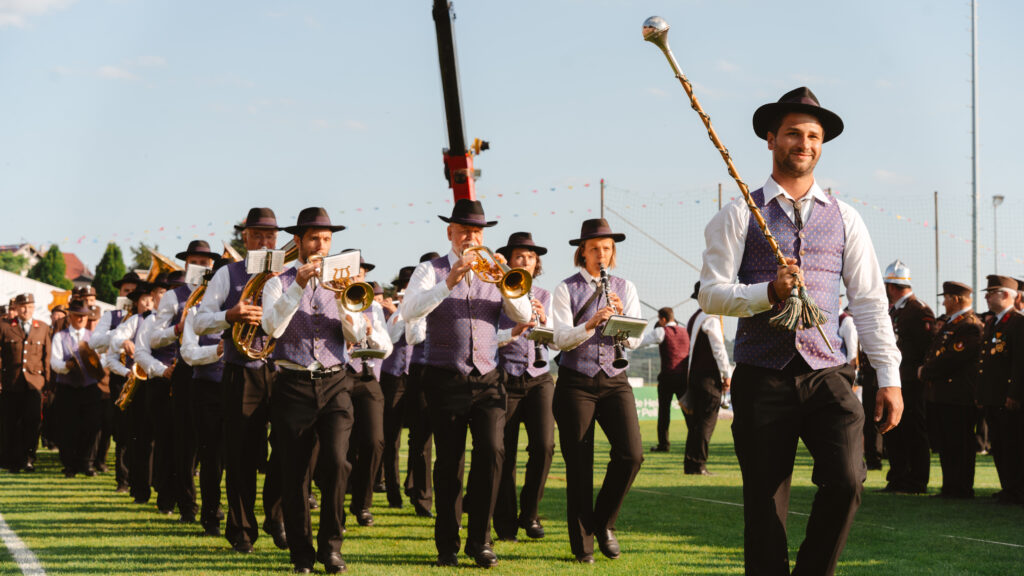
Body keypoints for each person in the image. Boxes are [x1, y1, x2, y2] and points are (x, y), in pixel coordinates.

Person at [699, 87, 901, 575]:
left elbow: (870, 302)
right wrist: (767, 292)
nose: (804, 143)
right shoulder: (739, 212)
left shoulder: (846, 217)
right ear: (771, 139)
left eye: (813, 136)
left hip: (828, 372)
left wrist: (889, 376)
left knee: (848, 480)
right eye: (793, 133)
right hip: (761, 375)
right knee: (765, 504)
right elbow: (710, 294)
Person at [402, 200, 532, 568]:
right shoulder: (430, 270)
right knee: (449, 463)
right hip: (445, 377)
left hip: (489, 377)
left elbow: (522, 314)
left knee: (492, 452)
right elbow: (409, 311)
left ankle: (481, 541)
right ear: (450, 233)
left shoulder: (496, 270)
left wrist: (506, 282)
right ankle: (447, 544)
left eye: (476, 232)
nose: (471, 238)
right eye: (464, 231)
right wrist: (448, 282)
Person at [261, 207, 368, 574]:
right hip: (292, 383)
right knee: (295, 473)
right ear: (298, 242)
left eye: (326, 239)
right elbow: (271, 328)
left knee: (337, 462)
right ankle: (302, 554)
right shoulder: (277, 283)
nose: (321, 245)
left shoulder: (344, 283)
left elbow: (357, 335)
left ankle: (332, 547)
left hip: (336, 381)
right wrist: (297, 287)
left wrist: (341, 300)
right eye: (314, 239)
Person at [551, 218, 645, 564]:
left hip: (615, 379)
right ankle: (583, 547)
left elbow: (635, 341)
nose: (601, 254)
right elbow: (559, 339)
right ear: (583, 252)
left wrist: (622, 318)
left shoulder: (626, 286)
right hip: (576, 381)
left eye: (606, 248)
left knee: (632, 455)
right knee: (579, 465)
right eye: (594, 249)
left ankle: (604, 522)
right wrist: (590, 324)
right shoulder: (565, 288)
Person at [194, 207, 286, 552]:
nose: (265, 241)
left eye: (270, 236)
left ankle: (276, 517)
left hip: (283, 372)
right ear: (244, 237)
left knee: (287, 450)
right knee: (241, 454)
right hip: (241, 372)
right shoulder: (227, 274)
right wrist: (229, 315)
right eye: (257, 235)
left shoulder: (290, 274)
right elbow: (200, 322)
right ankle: (242, 530)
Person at [493, 231, 556, 542]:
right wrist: (515, 331)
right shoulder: (495, 293)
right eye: (520, 256)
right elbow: (487, 339)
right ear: (509, 261)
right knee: (503, 453)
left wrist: (544, 324)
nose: (526, 261)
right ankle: (504, 523)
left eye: (531, 257)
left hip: (539, 376)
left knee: (544, 447)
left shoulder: (544, 294)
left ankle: (530, 513)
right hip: (504, 376)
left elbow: (557, 341)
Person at [180, 258, 229, 535]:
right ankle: (210, 515)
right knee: (210, 456)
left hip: (239, 387)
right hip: (207, 389)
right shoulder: (195, 312)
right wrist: (216, 352)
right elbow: (188, 353)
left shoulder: (248, 310)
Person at [920, 281, 982, 499]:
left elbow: (953, 358)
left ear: (956, 299)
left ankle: (961, 488)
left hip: (959, 396)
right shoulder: (953, 323)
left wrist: (925, 371)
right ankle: (950, 486)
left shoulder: (969, 325)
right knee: (948, 444)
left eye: (946, 298)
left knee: (960, 444)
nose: (944, 303)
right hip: (945, 395)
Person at [878, 260, 934, 495]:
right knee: (895, 431)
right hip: (896, 380)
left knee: (913, 430)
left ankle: (917, 480)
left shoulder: (919, 310)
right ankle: (898, 477)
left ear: (891, 286)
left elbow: (928, 347)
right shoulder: (896, 310)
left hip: (911, 382)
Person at [345, 270, 393, 528]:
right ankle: (334, 501)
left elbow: (386, 348)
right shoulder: (330, 301)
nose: (357, 280)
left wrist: (371, 331)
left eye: (361, 275)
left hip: (366, 377)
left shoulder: (373, 307)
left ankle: (362, 504)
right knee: (336, 445)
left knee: (375, 441)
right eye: (353, 275)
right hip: (337, 376)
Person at [974, 275, 1023, 504]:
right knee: (1000, 446)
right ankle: (1007, 487)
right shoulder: (994, 322)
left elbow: (1019, 362)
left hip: (1006, 397)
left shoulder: (1017, 322)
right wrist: (982, 393)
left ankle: (1017, 490)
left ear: (1005, 295)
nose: (986, 297)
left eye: (990, 293)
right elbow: (986, 363)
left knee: (1012, 445)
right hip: (993, 397)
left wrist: (1014, 393)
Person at [403, 251, 441, 519]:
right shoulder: (418, 300)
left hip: (446, 369)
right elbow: (413, 336)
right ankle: (422, 496)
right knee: (421, 436)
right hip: (421, 370)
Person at [50, 299, 105, 477]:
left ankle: (86, 463)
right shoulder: (60, 337)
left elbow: (103, 361)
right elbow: (54, 362)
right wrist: (66, 366)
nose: (81, 319)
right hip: (67, 388)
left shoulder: (93, 337)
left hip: (89, 387)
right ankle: (70, 465)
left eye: (84, 316)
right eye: (77, 316)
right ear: (70, 317)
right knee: (68, 427)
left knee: (91, 425)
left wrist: (97, 363)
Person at [683, 281, 732, 475]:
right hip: (709, 379)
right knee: (706, 422)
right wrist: (726, 374)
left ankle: (691, 464)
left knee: (696, 424)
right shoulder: (711, 318)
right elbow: (718, 348)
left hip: (695, 376)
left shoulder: (695, 317)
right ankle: (698, 464)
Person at [0, 293, 51, 473]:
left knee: (32, 422)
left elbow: (47, 358)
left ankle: (29, 458)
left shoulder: (42, 327)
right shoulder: (5, 327)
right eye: (22, 306)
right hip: (11, 383)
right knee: (11, 422)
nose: (26, 310)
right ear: (16, 308)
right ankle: (13, 460)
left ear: (34, 308)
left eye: (29, 307)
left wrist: (48, 385)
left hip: (34, 383)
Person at [378, 265, 415, 509]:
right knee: (391, 438)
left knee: (418, 437)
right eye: (404, 287)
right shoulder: (385, 312)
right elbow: (388, 340)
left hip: (416, 376)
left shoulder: (424, 308)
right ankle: (393, 493)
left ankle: (413, 487)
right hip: (392, 377)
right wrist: (396, 314)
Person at [638, 305, 689, 453]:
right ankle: (695, 441)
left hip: (667, 378)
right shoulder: (686, 332)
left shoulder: (661, 331)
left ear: (663, 319)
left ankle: (664, 444)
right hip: (683, 378)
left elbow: (641, 342)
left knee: (664, 413)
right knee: (688, 410)